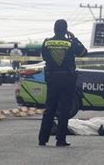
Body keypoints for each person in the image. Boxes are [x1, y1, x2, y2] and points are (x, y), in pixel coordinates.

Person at [38, 19, 87, 147]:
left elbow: (44, 57)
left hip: (52, 79)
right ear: (66, 30)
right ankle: (60, 140)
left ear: (54, 29)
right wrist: (74, 38)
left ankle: (43, 139)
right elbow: (83, 52)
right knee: (64, 109)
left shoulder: (47, 42)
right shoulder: (70, 43)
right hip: (67, 79)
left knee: (50, 109)